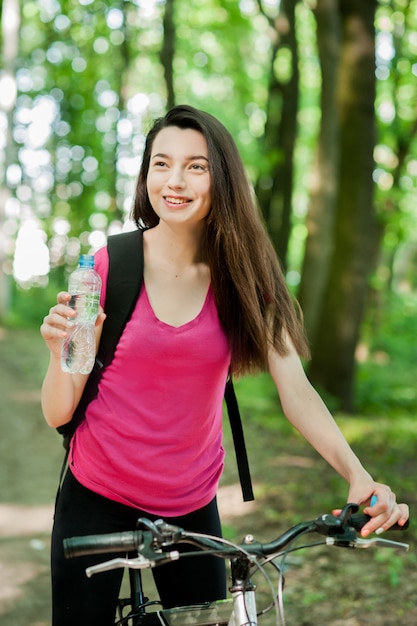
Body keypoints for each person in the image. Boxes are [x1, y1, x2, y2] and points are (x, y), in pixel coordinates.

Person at [40, 104, 408, 626]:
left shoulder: (245, 278)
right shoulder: (107, 266)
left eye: (196, 165)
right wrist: (60, 356)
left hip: (190, 503)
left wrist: (358, 475)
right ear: (146, 175)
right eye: (161, 163)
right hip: (96, 491)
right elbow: (59, 414)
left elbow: (296, 390)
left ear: (222, 178)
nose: (175, 180)